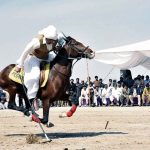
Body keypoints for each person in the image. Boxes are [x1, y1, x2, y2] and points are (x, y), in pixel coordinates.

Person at [15, 25, 65, 103]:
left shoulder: (57, 38)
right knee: (35, 76)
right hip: (34, 58)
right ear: (45, 37)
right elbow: (25, 51)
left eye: (52, 40)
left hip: (47, 57)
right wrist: (19, 65)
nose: (51, 42)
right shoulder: (37, 41)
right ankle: (32, 98)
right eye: (48, 39)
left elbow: (64, 40)